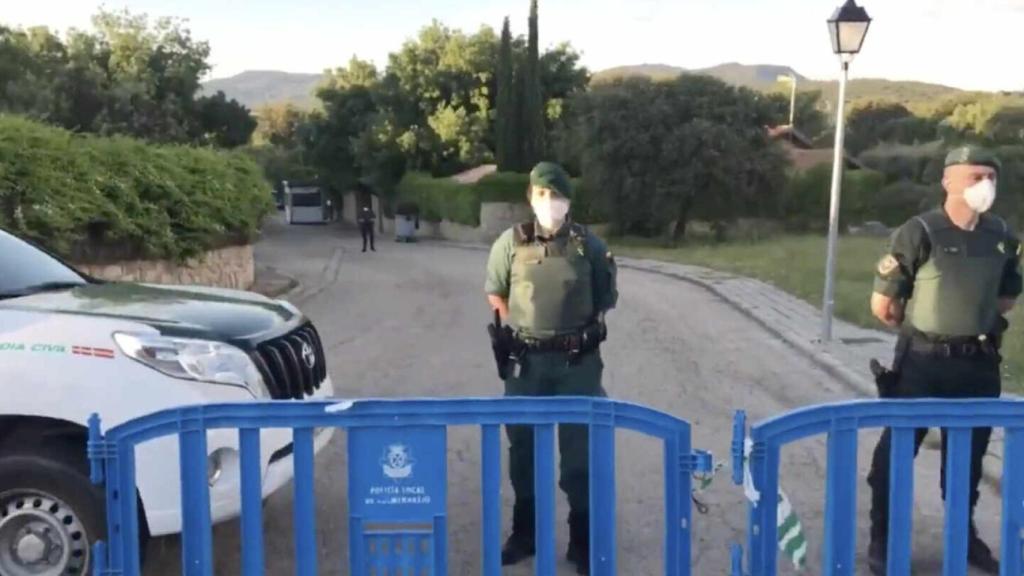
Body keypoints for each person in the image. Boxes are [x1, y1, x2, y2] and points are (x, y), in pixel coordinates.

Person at [866, 146, 1021, 575]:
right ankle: (884, 539)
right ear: (948, 181)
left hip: (978, 364)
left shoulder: (1003, 235)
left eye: (990, 176)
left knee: (968, 459)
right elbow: (884, 305)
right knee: (896, 454)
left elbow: (1006, 298)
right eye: (974, 176)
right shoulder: (919, 232)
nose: (984, 185)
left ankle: (963, 537)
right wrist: (928, 333)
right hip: (922, 361)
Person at [484, 161, 618, 575]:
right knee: (522, 450)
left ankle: (582, 540)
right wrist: (531, 331)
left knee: (578, 455)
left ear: (568, 200)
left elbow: (604, 300)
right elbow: (497, 295)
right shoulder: (510, 242)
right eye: (541, 195)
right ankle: (525, 533)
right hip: (526, 365)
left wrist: (565, 333)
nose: (549, 203)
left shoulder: (590, 247)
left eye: (556, 195)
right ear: (530, 197)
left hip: (576, 365)